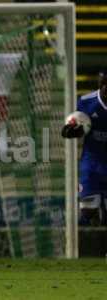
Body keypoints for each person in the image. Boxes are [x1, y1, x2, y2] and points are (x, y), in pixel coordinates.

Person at [62, 70, 107, 226]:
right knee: (87, 212)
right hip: (92, 165)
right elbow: (72, 125)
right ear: (101, 85)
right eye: (103, 84)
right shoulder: (86, 102)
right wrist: (71, 129)